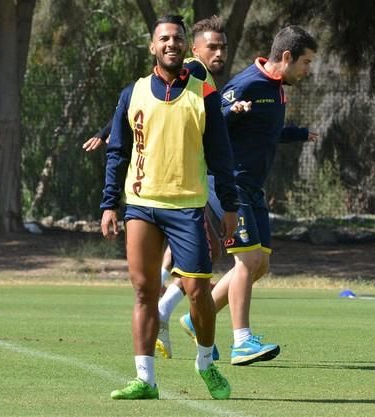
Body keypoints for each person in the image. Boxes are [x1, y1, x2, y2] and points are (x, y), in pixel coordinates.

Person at [100, 15, 239, 400]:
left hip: (187, 206)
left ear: (185, 47)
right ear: (152, 46)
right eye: (164, 39)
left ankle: (206, 362)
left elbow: (221, 154)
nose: (171, 44)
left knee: (198, 291)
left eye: (178, 38)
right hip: (142, 206)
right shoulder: (133, 94)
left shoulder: (203, 94)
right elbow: (117, 152)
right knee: (144, 292)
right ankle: (145, 379)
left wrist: (229, 205)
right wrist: (109, 204)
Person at [180, 25, 318, 366]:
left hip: (253, 189)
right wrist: (230, 112)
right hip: (230, 185)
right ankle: (241, 342)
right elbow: (211, 125)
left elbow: (264, 131)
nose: (308, 70)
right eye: (306, 62)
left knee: (261, 265)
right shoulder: (246, 84)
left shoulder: (276, 88)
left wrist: (299, 133)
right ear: (286, 58)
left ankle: (200, 315)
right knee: (248, 261)